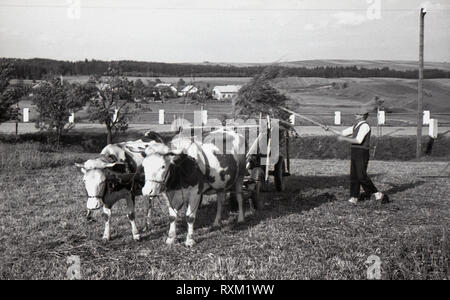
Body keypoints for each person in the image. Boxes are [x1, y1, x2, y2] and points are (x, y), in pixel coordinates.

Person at [324, 106, 388, 205]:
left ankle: (377, 193)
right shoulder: (356, 125)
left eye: (357, 114)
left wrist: (344, 139)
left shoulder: (365, 126)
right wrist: (329, 129)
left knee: (361, 176)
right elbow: (342, 133)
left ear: (362, 116)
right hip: (355, 151)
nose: (355, 115)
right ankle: (354, 197)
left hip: (362, 153)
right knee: (354, 175)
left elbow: (358, 140)